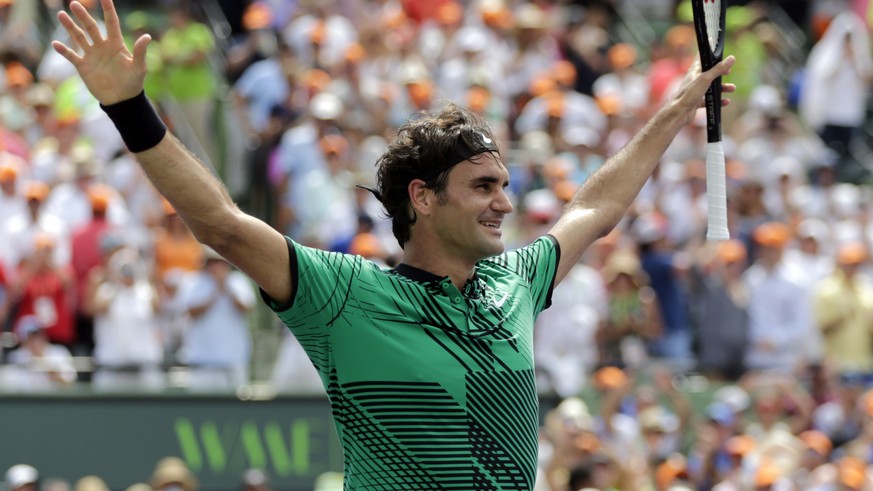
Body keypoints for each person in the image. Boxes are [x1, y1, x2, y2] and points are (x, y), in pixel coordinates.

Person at [51, 1, 735, 487]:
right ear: (423, 198)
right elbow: (222, 222)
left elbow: (594, 204)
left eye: (505, 183)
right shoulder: (343, 294)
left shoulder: (518, 282)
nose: (505, 202)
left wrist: (675, 107)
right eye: (482, 186)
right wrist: (127, 107)